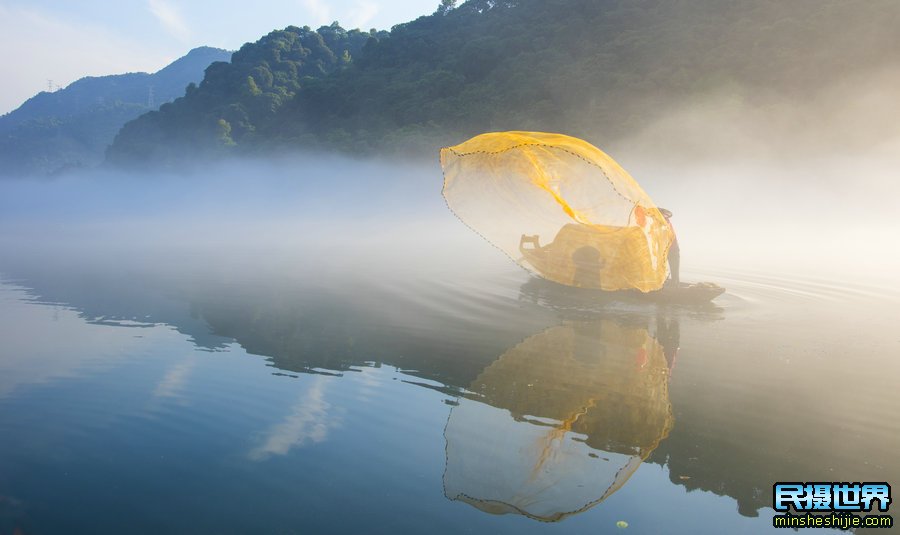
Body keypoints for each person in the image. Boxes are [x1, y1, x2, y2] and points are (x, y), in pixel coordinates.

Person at [659, 208, 680, 285]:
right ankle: (664, 284)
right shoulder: (658, 223)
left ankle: (675, 287)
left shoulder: (666, 222)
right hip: (664, 251)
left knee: (675, 274)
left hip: (673, 250)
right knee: (661, 270)